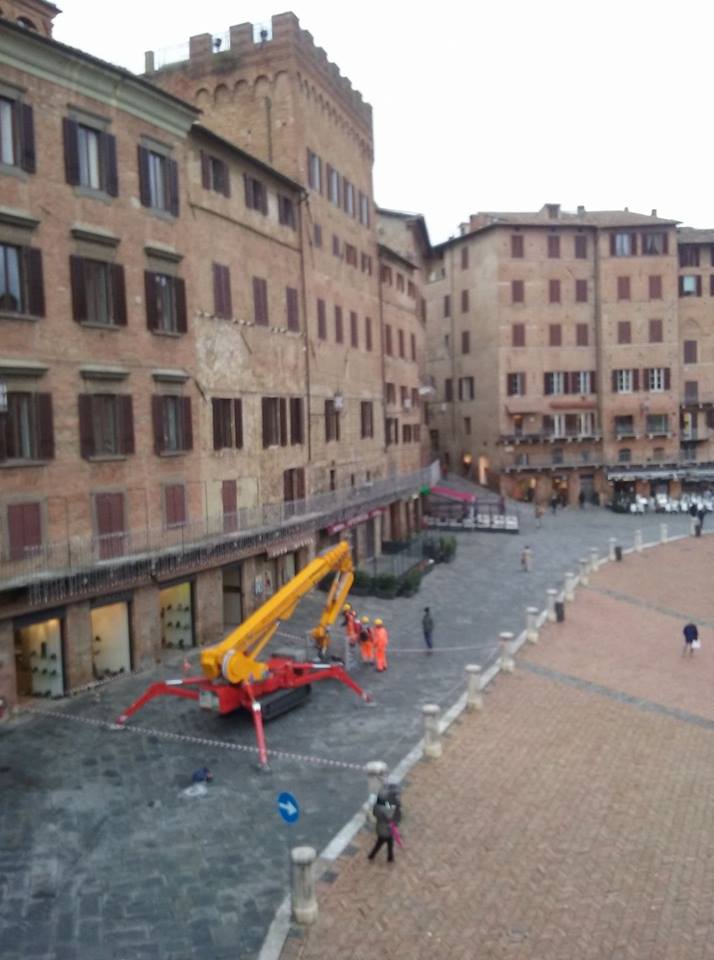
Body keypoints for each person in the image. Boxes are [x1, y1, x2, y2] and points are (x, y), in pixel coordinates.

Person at [367, 784, 401, 863]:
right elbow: (391, 814)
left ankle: (390, 857)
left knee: (389, 843)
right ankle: (372, 856)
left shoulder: (377, 806)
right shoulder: (384, 809)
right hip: (385, 830)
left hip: (381, 828)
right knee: (381, 843)